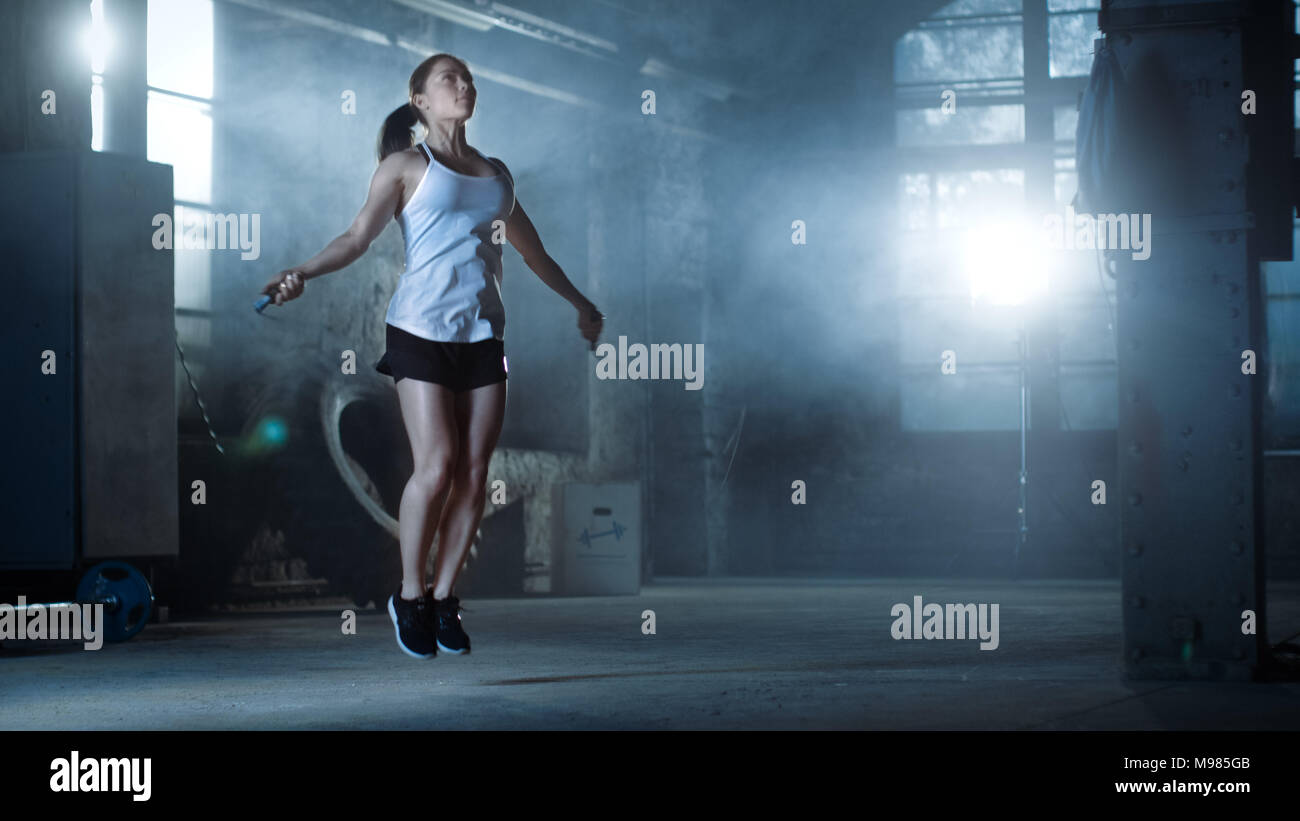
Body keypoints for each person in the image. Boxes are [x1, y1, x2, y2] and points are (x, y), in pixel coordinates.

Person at [259, 53, 603, 659]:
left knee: (476, 472)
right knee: (438, 465)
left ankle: (445, 598)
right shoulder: (404, 166)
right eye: (450, 78)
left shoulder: (498, 177)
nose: (464, 83)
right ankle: (410, 594)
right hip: (419, 331)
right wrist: (302, 272)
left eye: (469, 76)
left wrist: (581, 303)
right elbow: (356, 238)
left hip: (483, 338)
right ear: (420, 100)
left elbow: (534, 253)